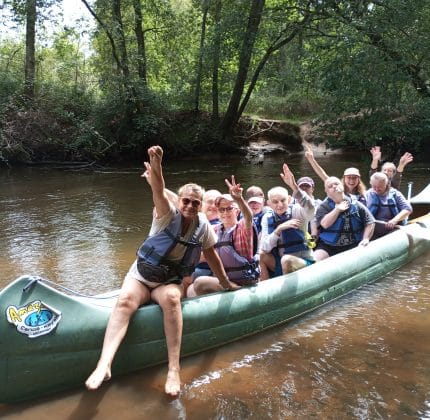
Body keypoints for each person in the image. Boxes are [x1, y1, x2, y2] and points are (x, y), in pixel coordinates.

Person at [85, 146, 239, 397]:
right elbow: (158, 189)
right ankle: (104, 364)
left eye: (195, 203)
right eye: (186, 201)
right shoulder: (166, 213)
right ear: (179, 201)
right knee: (124, 301)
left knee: (172, 298)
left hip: (167, 281)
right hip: (142, 277)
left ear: (200, 207)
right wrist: (157, 165)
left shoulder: (204, 229)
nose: (189, 205)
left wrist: (225, 283)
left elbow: (212, 259)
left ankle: (173, 370)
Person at [188, 176, 259, 296]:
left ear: (237, 211)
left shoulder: (242, 228)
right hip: (224, 280)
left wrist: (239, 199)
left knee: (200, 282)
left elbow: (248, 217)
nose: (225, 212)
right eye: (221, 210)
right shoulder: (215, 230)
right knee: (191, 289)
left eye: (229, 208)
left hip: (243, 282)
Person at [259, 164, 316, 279]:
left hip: (303, 262)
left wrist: (295, 187)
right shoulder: (267, 218)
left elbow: (310, 209)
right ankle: (265, 288)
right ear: (269, 204)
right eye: (275, 202)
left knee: (286, 260)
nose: (279, 205)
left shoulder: (297, 211)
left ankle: (287, 292)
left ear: (289, 199)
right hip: (280, 262)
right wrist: (279, 229)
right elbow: (265, 247)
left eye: (283, 200)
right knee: (261, 255)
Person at [313, 177, 375, 261]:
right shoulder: (323, 207)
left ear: (342, 186)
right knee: (316, 259)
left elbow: (370, 222)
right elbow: (324, 224)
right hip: (329, 246)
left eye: (336, 184)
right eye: (330, 186)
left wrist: (366, 238)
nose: (334, 186)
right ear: (326, 191)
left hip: (353, 244)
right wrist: (337, 209)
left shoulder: (356, 204)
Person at [366, 172, 412, 239]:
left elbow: (408, 209)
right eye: (374, 186)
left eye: (379, 187)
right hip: (371, 231)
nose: (376, 189)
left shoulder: (395, 194)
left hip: (392, 231)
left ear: (386, 184)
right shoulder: (367, 194)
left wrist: (394, 220)